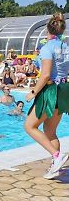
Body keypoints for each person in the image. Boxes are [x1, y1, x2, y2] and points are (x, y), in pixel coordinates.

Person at [25, 13, 69, 179]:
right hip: (64, 90)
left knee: (29, 126)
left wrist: (33, 92)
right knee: (50, 131)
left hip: (51, 91)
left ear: (48, 30)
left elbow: (45, 75)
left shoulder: (47, 48)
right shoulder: (66, 47)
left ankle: (57, 156)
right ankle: (55, 166)